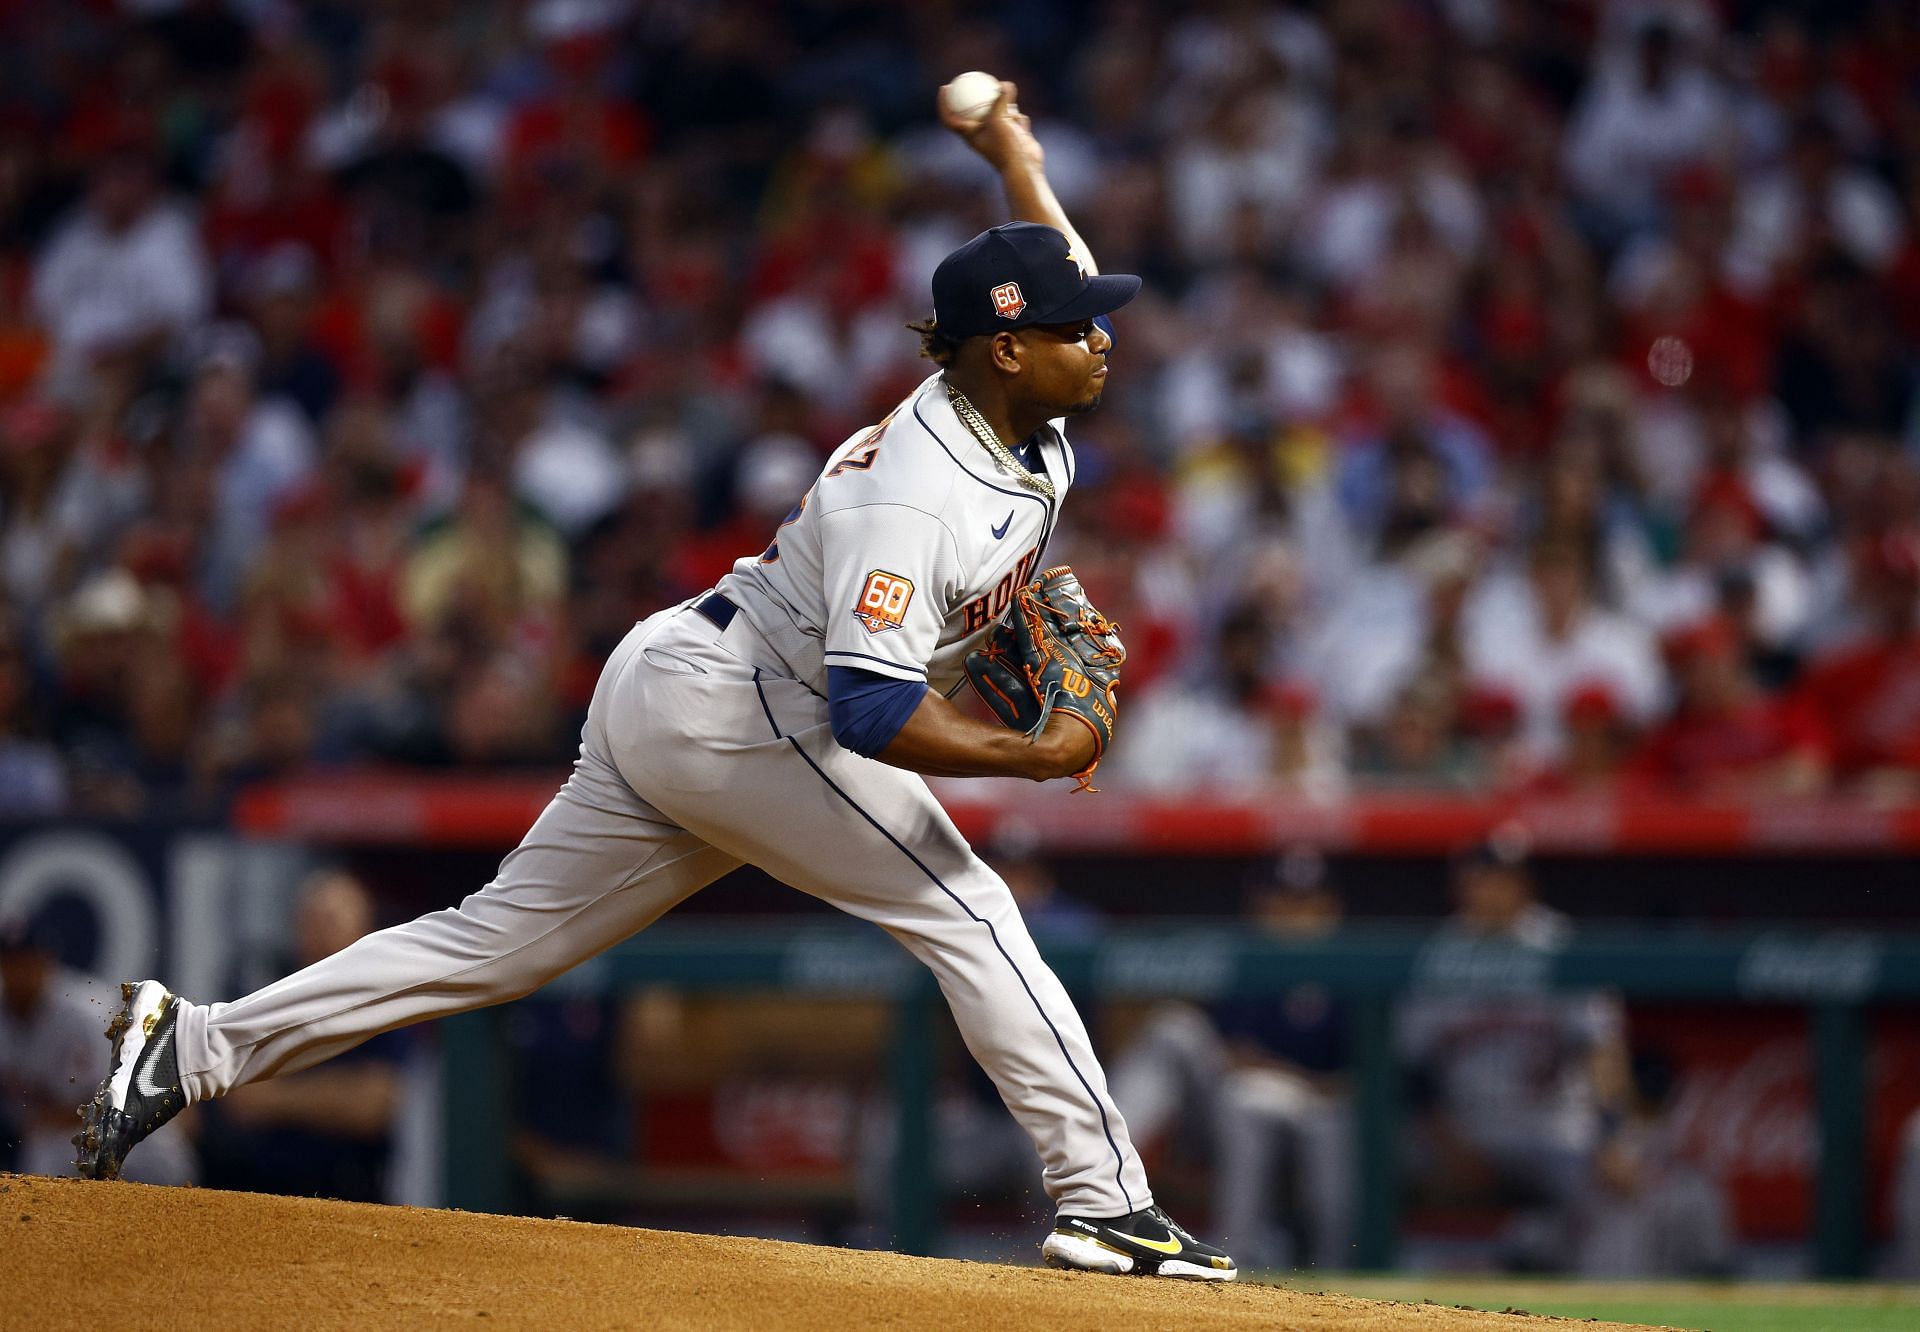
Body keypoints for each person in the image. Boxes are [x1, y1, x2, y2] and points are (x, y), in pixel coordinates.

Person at [74, 82, 1236, 1282]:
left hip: (687, 677)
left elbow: (1057, 253)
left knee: (496, 947)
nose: (1102, 337)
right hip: (749, 710)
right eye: (1076, 326)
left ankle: (192, 1047)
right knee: (969, 906)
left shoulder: (1020, 380)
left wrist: (1009, 150)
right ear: (1006, 348)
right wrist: (1035, 757)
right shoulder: (918, 493)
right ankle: (1104, 1201)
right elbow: (872, 712)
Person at [1399, 831, 1632, 1272]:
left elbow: (1603, 1050)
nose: (1494, 890)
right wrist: (1450, 1146)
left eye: (1505, 879)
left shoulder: (1560, 944)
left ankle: (1610, 1309)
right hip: (1463, 1129)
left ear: (1525, 885)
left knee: (1611, 1184)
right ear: (1463, 885)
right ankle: (1380, 1297)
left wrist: (1612, 1135)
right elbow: (1411, 1071)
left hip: (1552, 1130)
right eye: (1483, 878)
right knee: (1377, 1158)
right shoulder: (1440, 954)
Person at [1108, 849, 1351, 1270]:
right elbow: (1218, 1048)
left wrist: (1277, 1073)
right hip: (1222, 1101)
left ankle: (1338, 1264)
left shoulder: (1352, 972)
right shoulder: (1239, 958)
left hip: (1319, 1106)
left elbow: (1366, 1081)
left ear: (1330, 908)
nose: (1292, 914)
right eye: (1282, 900)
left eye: (1305, 902)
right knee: (1176, 1028)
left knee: (1265, 1105)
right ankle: (1108, 1159)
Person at [193, 870, 411, 1204]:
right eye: (312, 919)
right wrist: (328, 1097)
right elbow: (234, 1097)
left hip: (349, 1193)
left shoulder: (383, 999)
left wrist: (275, 1099)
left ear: (364, 931)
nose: (321, 932)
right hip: (250, 1189)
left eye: (333, 919)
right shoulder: (262, 988)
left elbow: (372, 1106)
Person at [0, 915, 193, 1186]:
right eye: (10, 962)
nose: (19, 971)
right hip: (58, 1139)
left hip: (129, 1128)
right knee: (39, 1157)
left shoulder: (85, 1015)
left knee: (168, 1162)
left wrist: (49, 1118)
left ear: (46, 962)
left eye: (27, 961)